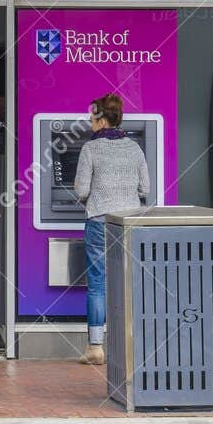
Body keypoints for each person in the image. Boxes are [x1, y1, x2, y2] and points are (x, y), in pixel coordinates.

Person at [72, 92, 149, 367]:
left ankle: (95, 347)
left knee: (97, 284)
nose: (90, 122)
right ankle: (130, 343)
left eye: (92, 118)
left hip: (99, 221)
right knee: (128, 280)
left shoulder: (90, 149)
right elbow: (145, 189)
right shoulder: (135, 148)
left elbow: (81, 190)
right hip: (128, 222)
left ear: (103, 120)